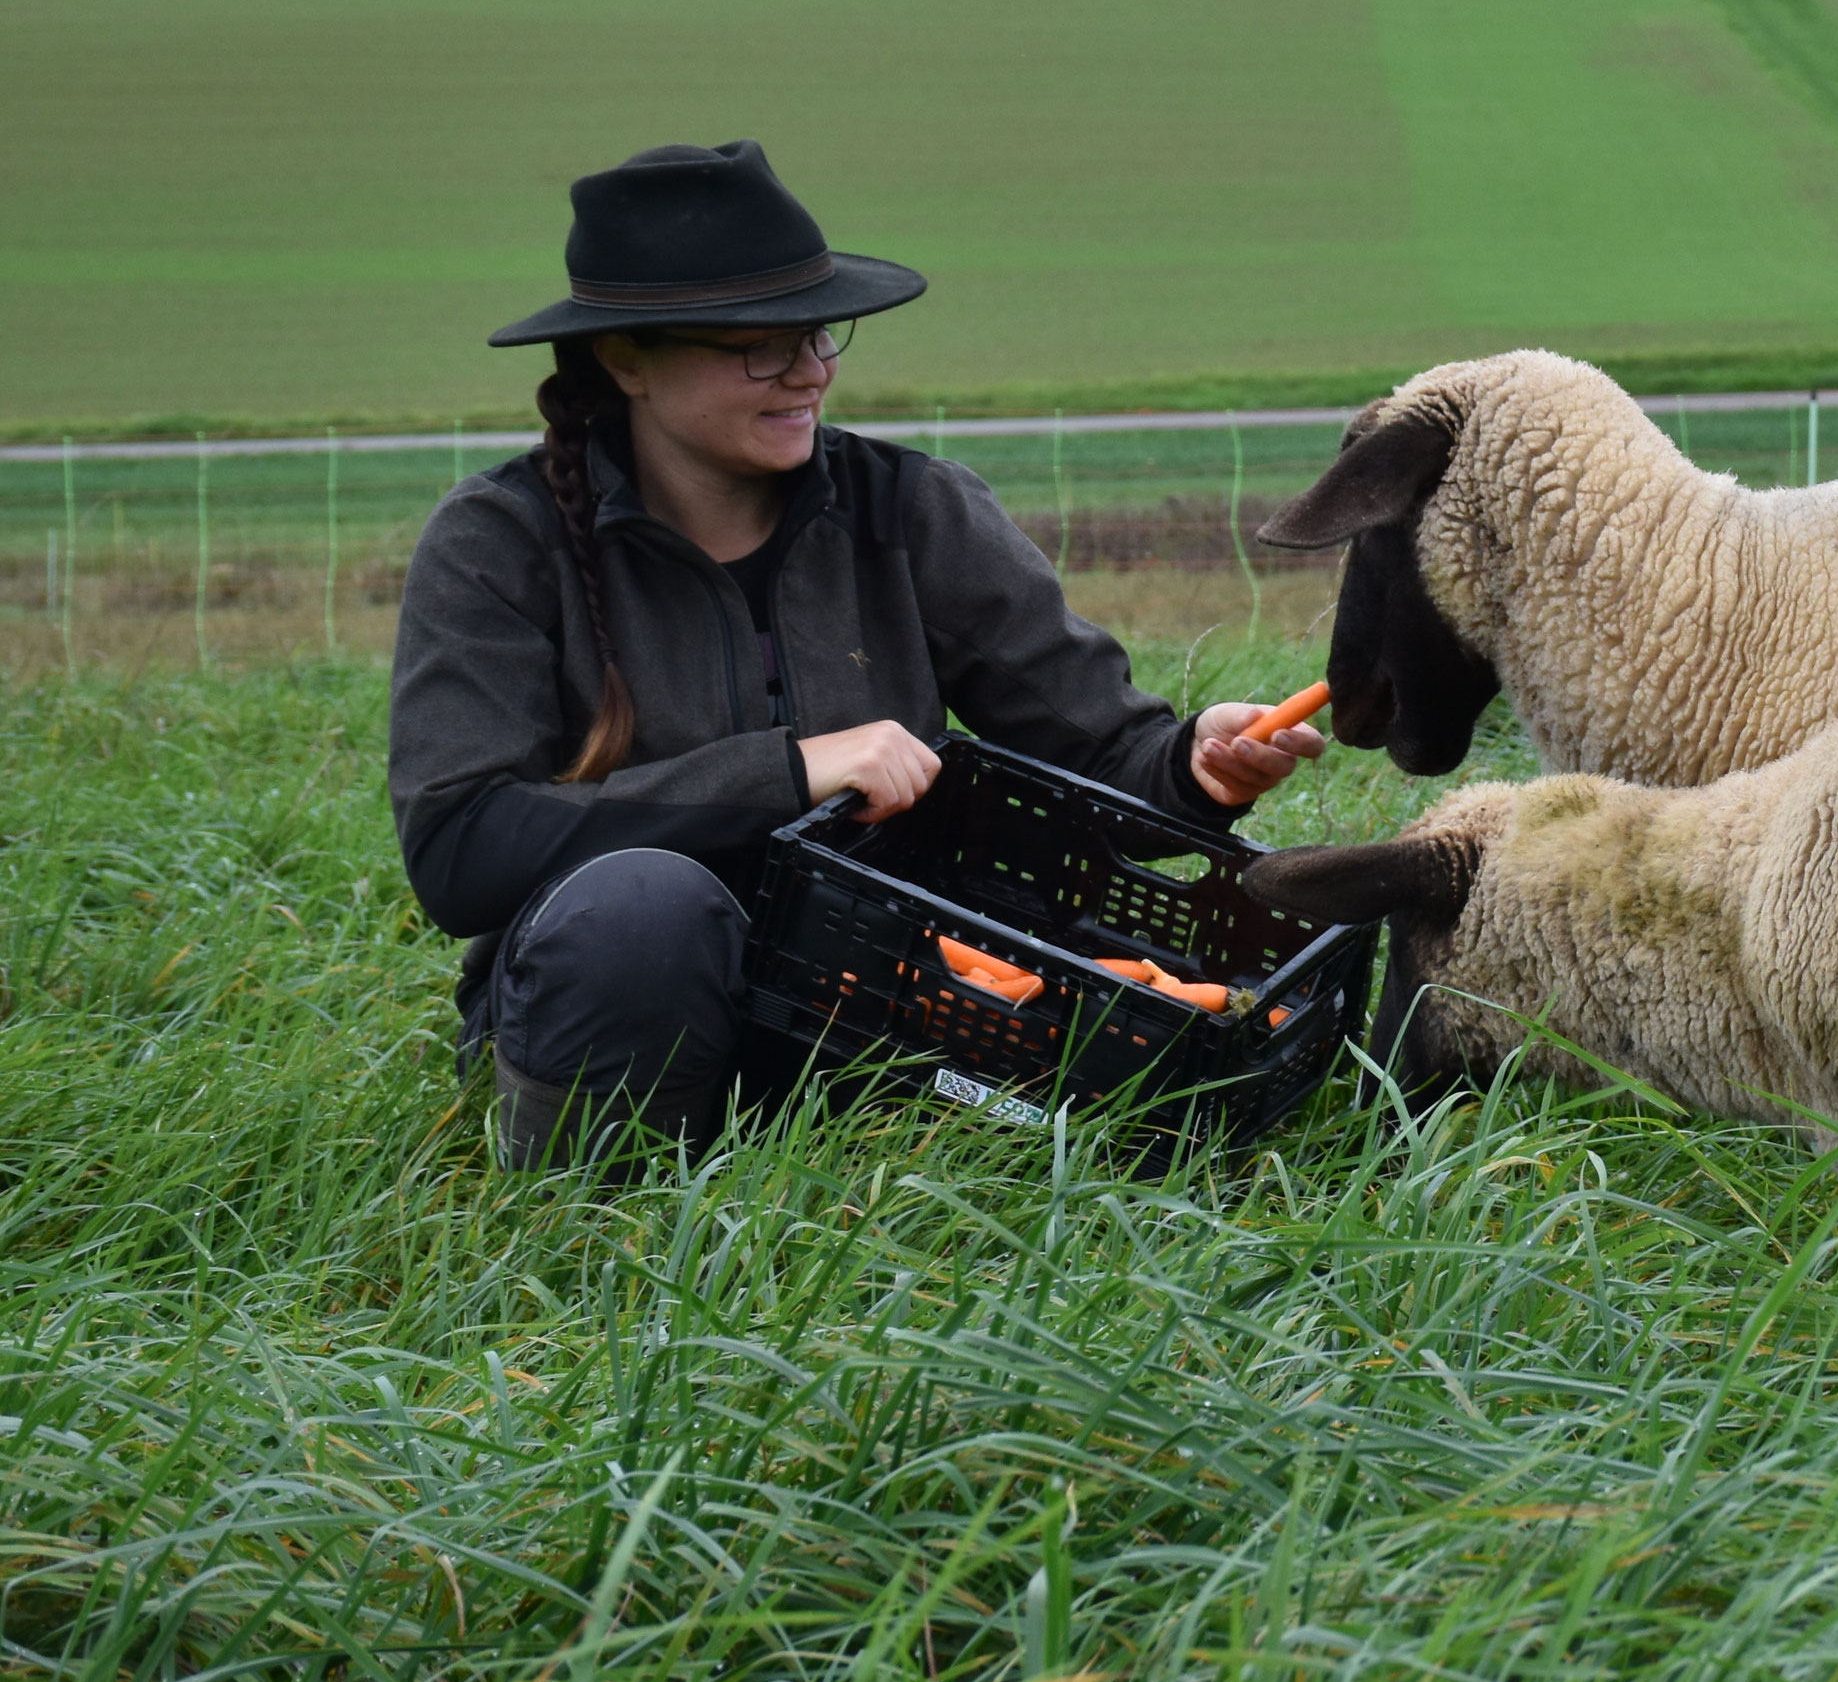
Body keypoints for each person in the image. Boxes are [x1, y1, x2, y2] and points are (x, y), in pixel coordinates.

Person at [389, 140, 1325, 1163]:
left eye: (818, 334)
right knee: (643, 908)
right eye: (759, 347)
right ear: (625, 360)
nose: (810, 371)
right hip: (615, 1009)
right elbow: (461, 851)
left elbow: (1102, 755)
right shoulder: (498, 543)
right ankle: (604, 1209)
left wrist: (1195, 764)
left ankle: (856, 1162)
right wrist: (789, 771)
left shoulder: (913, 512)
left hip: (875, 1006)